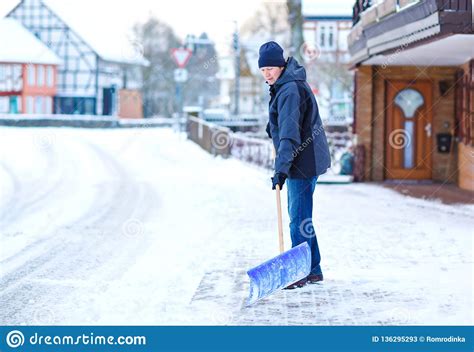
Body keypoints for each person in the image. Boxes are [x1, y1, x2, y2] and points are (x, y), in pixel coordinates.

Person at [259, 41, 331, 289]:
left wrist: (280, 170)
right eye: (263, 69)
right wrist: (273, 126)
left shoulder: (289, 89)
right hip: (307, 158)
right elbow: (287, 123)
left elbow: (290, 135)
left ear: (281, 65)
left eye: (271, 67)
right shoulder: (287, 85)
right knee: (303, 217)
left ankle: (298, 272)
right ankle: (313, 269)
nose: (267, 73)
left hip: (302, 161)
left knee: (298, 218)